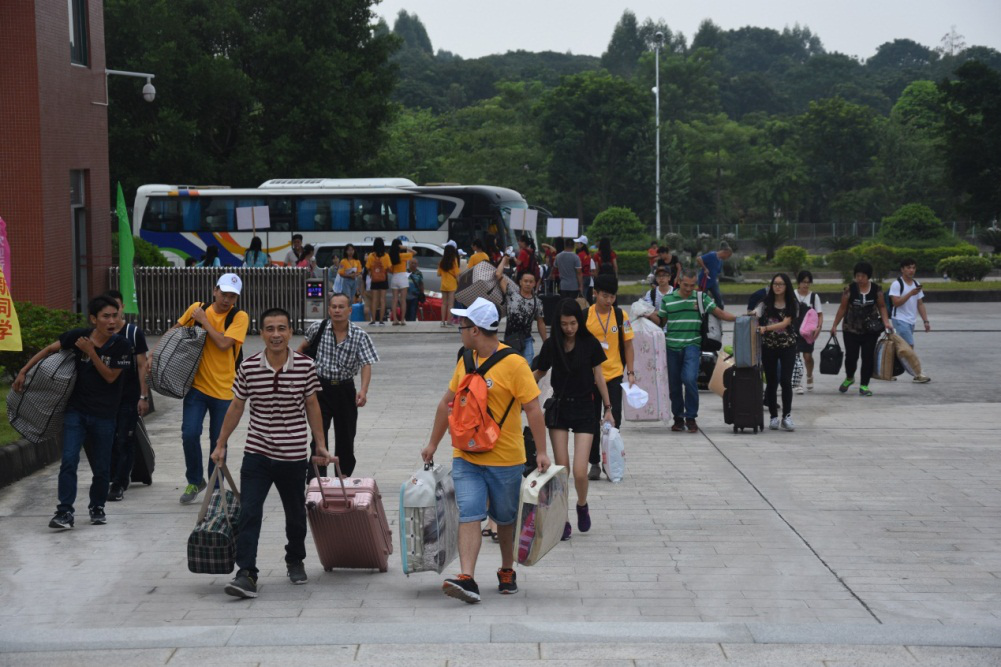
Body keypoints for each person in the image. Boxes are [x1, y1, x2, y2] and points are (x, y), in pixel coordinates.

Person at [421, 298, 550, 604]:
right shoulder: (466, 360)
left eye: (462, 325)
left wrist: (542, 452)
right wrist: (432, 443)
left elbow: (533, 408)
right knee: (469, 513)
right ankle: (467, 577)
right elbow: (446, 402)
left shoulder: (515, 364)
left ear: (476, 330)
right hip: (466, 456)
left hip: (505, 458)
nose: (460, 330)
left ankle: (506, 569)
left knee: (505, 518)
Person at [212, 307, 331, 599]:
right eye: (269, 329)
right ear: (261, 333)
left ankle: (295, 558)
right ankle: (246, 573)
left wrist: (320, 444)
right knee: (249, 512)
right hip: (257, 452)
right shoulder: (249, 366)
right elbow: (237, 405)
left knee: (295, 514)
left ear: (290, 332)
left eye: (281, 328)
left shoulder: (305, 366)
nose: (276, 335)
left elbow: (312, 404)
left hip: (293, 455)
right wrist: (221, 443)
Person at [13, 296, 132, 529]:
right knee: (68, 460)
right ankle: (64, 511)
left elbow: (110, 377)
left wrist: (91, 352)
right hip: (76, 411)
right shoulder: (79, 336)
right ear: (93, 319)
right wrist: (24, 371)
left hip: (105, 414)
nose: (112, 321)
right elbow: (49, 349)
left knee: (101, 467)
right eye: (106, 316)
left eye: (115, 316)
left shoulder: (122, 345)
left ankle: (97, 506)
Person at [533, 298, 611, 540]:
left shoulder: (590, 343)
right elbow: (539, 372)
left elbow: (599, 377)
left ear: (580, 322)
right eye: (564, 324)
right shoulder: (552, 345)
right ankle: (563, 518)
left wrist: (608, 408)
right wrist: (516, 388)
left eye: (573, 323)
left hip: (586, 408)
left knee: (579, 471)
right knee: (562, 469)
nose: (569, 328)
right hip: (560, 408)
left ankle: (582, 504)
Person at [172, 274, 250, 504]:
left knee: (219, 441)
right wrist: (154, 355)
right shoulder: (197, 308)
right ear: (215, 290)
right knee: (189, 434)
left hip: (225, 391)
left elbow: (224, 344)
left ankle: (216, 488)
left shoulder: (239, 316)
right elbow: (175, 331)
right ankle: (195, 480)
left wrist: (204, 321)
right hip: (197, 388)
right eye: (223, 294)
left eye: (232, 296)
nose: (226, 300)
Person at [646, 268, 739, 433]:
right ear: (678, 282)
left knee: (689, 379)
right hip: (671, 347)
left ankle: (691, 417)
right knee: (674, 385)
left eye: (692, 285)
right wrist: (646, 314)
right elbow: (662, 321)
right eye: (685, 285)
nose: (689, 289)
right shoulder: (668, 300)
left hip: (692, 346)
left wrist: (741, 318)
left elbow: (720, 313)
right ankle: (678, 418)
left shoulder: (701, 298)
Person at [298, 293, 379, 478]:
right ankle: (317, 479)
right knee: (318, 436)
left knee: (346, 437)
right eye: (333, 307)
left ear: (350, 310)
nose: (337, 310)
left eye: (341, 307)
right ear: (328, 310)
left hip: (345, 390)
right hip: (320, 389)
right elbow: (301, 349)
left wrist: (363, 390)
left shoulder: (359, 335)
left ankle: (343, 477)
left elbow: (366, 363)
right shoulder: (317, 328)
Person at [582, 274, 635, 480]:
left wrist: (630, 372)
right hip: (590, 378)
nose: (609, 300)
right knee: (591, 421)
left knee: (613, 420)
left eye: (612, 296)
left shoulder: (621, 316)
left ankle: (610, 462)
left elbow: (628, 345)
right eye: (605, 295)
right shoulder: (585, 316)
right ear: (595, 293)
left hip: (613, 376)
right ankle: (594, 463)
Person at [102, 290, 150, 502]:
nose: (112, 316)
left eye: (117, 308)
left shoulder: (132, 333)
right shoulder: (98, 334)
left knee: (124, 439)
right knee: (108, 439)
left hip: (129, 397)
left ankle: (120, 482)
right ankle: (112, 476)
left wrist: (143, 396)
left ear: (122, 308)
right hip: (104, 398)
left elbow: (142, 366)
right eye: (107, 312)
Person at [829, 261, 893, 397]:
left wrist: (886, 322)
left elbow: (882, 306)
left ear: (868, 276)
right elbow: (842, 308)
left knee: (867, 357)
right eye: (857, 275)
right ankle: (849, 377)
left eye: (863, 276)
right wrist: (834, 325)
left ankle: (864, 385)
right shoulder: (849, 289)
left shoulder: (876, 289)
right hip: (850, 329)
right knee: (851, 357)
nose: (859, 278)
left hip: (870, 330)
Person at [755, 274, 800, 431]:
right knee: (772, 382)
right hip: (769, 346)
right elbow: (755, 314)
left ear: (787, 286)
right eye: (775, 284)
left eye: (781, 284)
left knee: (786, 381)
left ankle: (786, 416)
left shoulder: (792, 303)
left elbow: (785, 323)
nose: (777, 287)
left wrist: (766, 328)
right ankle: (773, 417)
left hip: (788, 346)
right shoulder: (765, 303)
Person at [494, 256, 547, 365]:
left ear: (534, 284)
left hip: (526, 340)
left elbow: (541, 323)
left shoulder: (537, 302)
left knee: (526, 367)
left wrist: (546, 342)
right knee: (511, 366)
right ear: (520, 282)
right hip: (510, 338)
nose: (528, 284)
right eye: (525, 281)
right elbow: (498, 274)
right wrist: (504, 259)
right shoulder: (511, 294)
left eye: (531, 282)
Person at [888, 258, 932, 383]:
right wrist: (910, 294)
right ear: (902, 269)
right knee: (909, 346)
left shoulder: (916, 284)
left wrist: (926, 321)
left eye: (913, 267)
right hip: (899, 319)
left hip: (911, 321)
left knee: (901, 348)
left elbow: (920, 304)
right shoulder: (897, 284)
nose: (911, 270)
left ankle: (888, 370)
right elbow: (896, 303)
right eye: (908, 268)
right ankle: (917, 374)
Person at [793, 270, 823, 393]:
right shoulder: (792, 295)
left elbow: (819, 314)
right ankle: (797, 382)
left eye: (808, 282)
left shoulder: (814, 297)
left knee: (807, 356)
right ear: (798, 283)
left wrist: (819, 327)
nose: (805, 285)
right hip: (793, 330)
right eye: (803, 282)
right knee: (795, 358)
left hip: (808, 333)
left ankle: (809, 375)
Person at [696, 241, 733, 308]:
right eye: (728, 256)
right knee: (702, 299)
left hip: (713, 282)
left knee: (718, 298)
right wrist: (705, 268)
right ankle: (701, 311)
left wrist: (717, 279)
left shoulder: (720, 261)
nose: (727, 258)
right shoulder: (712, 255)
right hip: (704, 281)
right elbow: (699, 259)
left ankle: (719, 311)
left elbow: (717, 272)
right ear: (725, 252)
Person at [387, 239, 413, 326]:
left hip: (394, 277)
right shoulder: (403, 256)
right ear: (399, 246)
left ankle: (395, 319)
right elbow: (414, 252)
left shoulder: (390, 257)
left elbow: (389, 270)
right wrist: (405, 247)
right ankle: (402, 320)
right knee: (403, 300)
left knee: (394, 300)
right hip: (403, 277)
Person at [366, 238, 391, 326]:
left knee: (374, 300)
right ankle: (381, 320)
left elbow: (368, 268)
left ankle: (373, 320)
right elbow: (389, 268)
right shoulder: (386, 256)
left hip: (374, 279)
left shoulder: (371, 256)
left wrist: (372, 273)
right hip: (383, 279)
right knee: (382, 300)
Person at [438, 242, 460, 327]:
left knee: (444, 303)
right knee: (451, 304)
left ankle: (442, 322)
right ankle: (449, 322)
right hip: (452, 285)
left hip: (443, 284)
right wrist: (459, 283)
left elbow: (438, 274)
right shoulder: (454, 261)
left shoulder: (441, 261)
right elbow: (457, 274)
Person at [574, 235, 593, 302]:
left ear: (582, 244)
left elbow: (578, 268)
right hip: (587, 277)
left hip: (582, 277)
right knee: (584, 296)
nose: (576, 244)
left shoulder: (580, 255)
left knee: (581, 297)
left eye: (578, 243)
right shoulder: (588, 254)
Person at [406, 258, 425, 322]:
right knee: (406, 312)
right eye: (412, 263)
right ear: (409, 264)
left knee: (413, 312)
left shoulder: (419, 273)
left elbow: (421, 284)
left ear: (417, 265)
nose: (413, 265)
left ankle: (412, 324)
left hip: (415, 296)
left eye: (415, 263)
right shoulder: (405, 272)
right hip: (405, 296)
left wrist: (422, 293)